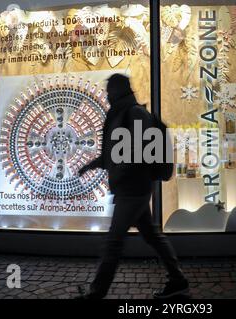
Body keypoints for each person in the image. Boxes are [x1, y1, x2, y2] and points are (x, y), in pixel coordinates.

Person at [77, 74, 189, 299]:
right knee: (152, 236)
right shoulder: (123, 113)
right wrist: (92, 165)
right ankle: (178, 280)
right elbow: (115, 153)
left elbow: (139, 151)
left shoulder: (133, 114)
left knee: (114, 242)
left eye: (110, 90)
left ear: (119, 90)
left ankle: (96, 294)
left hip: (132, 188)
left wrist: (125, 171)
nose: (107, 94)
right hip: (132, 187)